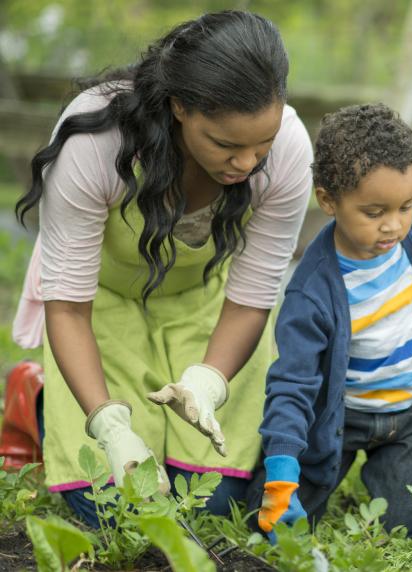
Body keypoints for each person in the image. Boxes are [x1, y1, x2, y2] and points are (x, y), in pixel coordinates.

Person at [11, 11, 313, 528]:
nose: (246, 163)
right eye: (225, 145)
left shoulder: (286, 149)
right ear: (179, 107)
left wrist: (209, 381)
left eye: (259, 148)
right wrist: (108, 426)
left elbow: (253, 294)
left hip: (207, 305)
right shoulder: (95, 142)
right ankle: (34, 395)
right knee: (119, 507)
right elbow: (67, 306)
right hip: (96, 306)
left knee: (215, 503)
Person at [248, 103, 412, 538]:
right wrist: (281, 473)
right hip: (341, 420)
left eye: (406, 205)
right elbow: (292, 386)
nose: (394, 226)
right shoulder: (312, 294)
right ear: (328, 200)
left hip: (410, 414)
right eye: (374, 213)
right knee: (265, 522)